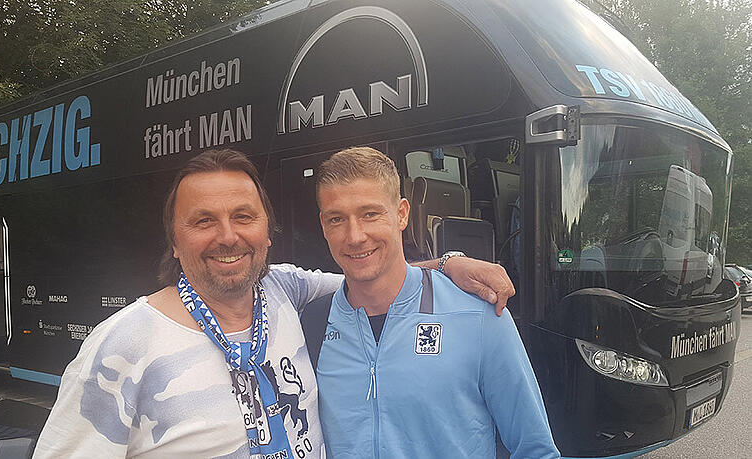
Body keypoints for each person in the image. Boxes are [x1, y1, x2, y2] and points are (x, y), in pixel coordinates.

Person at [33, 148, 515, 458]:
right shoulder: (123, 345)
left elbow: (372, 272)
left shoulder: (283, 290)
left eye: (244, 216)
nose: (228, 236)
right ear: (175, 242)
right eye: (203, 221)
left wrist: (448, 264)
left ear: (267, 231)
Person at [312, 147, 559, 458]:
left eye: (370, 214)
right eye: (337, 219)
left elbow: (536, 450)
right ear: (323, 225)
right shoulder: (312, 324)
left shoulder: (477, 314)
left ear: (401, 214)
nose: (355, 236)